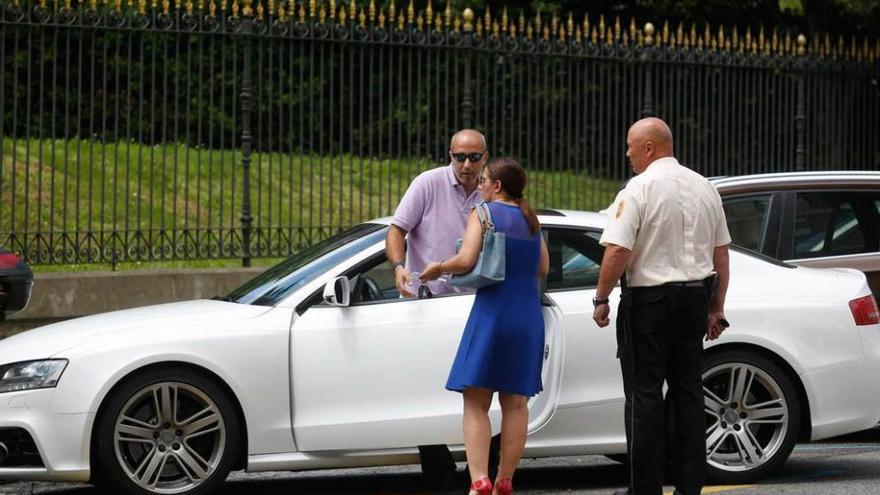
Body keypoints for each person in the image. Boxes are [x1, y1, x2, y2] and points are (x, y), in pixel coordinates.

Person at [591, 118, 731, 495]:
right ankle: (690, 487)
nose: (627, 154)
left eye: (630, 146)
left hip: (649, 301)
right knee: (689, 392)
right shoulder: (705, 187)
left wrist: (601, 297)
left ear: (649, 147)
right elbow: (721, 253)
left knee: (644, 396)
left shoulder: (639, 188)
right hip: (694, 298)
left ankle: (646, 488)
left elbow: (618, 249)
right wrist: (716, 307)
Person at [421, 157, 550, 495]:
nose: (479, 185)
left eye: (484, 180)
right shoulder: (530, 219)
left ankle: (479, 479)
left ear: (496, 186)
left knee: (476, 400)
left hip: (493, 312)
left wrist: (438, 268)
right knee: (516, 403)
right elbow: (543, 267)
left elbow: (465, 260)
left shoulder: (483, 213)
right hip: (527, 315)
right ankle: (506, 478)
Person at [386, 129, 488, 297]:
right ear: (450, 155)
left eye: (474, 157)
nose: (467, 165)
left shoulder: (490, 191)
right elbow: (396, 230)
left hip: (471, 300)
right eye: (460, 157)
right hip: (422, 298)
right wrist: (398, 268)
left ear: (485, 157)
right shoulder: (427, 183)